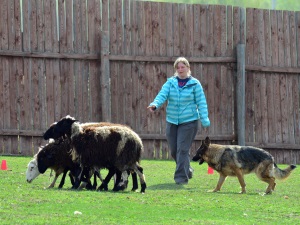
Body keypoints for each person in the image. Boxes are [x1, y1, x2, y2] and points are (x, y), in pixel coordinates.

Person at [147, 57, 210, 185]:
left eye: (183, 67)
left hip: (189, 121)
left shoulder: (195, 84)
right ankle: (187, 169)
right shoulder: (170, 83)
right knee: (174, 150)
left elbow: (201, 102)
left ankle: (181, 178)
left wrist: (204, 119)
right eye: (178, 67)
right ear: (176, 69)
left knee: (182, 149)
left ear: (188, 68)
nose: (180, 69)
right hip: (172, 121)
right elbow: (162, 95)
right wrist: (155, 104)